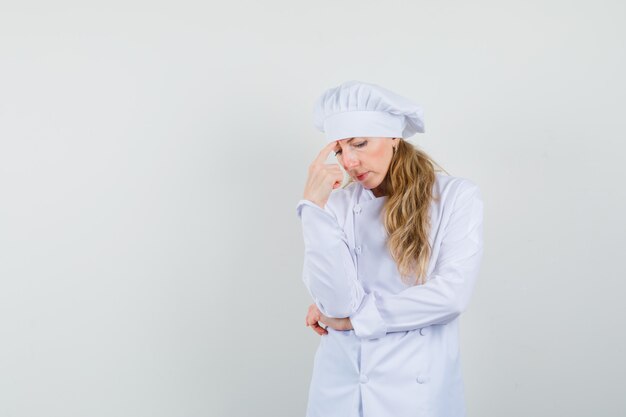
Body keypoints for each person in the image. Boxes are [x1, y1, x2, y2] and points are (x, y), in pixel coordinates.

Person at [295, 80, 484, 417]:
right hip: (338, 388)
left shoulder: (455, 198)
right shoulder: (334, 206)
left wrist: (353, 320)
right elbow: (336, 303)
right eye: (339, 151)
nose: (349, 161)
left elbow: (450, 296)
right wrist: (312, 208)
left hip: (413, 395)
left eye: (359, 143)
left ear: (394, 137)